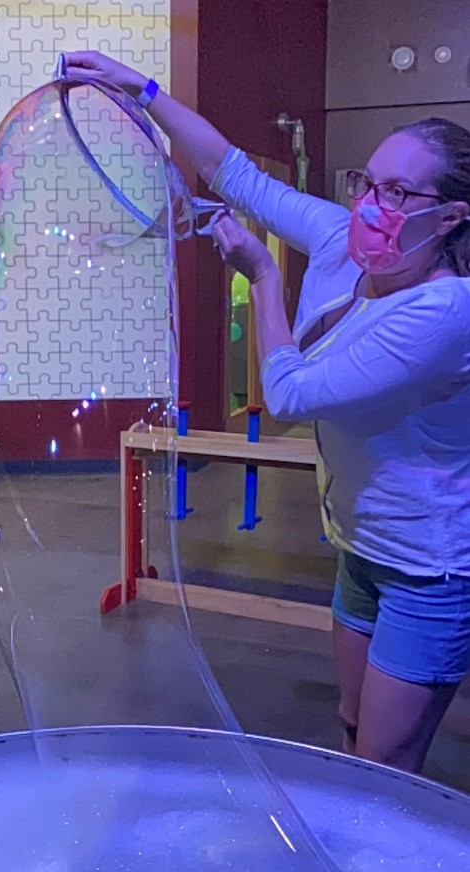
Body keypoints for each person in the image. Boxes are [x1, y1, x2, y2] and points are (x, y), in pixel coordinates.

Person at [65, 52, 470, 774]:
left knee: (384, 763)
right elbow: (235, 174)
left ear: (449, 217)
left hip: (430, 568)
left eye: (399, 194)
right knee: (350, 727)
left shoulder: (444, 311)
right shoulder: (348, 246)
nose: (372, 206)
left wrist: (262, 278)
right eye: (368, 184)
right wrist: (144, 91)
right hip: (362, 547)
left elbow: (288, 397)